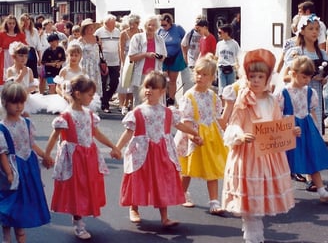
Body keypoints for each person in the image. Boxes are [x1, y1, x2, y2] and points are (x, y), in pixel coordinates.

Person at [222, 49, 297, 243]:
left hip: (267, 154)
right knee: (251, 194)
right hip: (248, 153)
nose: (255, 80)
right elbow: (234, 122)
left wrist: (290, 132)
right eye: (252, 76)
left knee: (261, 194)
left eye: (260, 76)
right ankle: (252, 237)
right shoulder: (244, 99)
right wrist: (239, 135)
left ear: (267, 79)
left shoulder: (272, 101)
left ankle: (257, 235)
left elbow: (276, 125)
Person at [111, 70, 202, 226]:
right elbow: (129, 132)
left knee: (162, 182)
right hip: (141, 152)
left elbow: (179, 125)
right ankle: (134, 208)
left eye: (153, 88)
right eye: (147, 87)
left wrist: (194, 133)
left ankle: (164, 217)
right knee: (138, 179)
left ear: (162, 91)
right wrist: (117, 148)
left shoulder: (168, 112)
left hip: (161, 153)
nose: (149, 90)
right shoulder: (137, 112)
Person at [43, 75, 121, 240]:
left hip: (89, 156)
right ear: (78, 94)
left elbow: (96, 134)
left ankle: (79, 215)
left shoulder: (90, 115)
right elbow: (54, 136)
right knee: (76, 187)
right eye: (89, 95)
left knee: (86, 186)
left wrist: (113, 146)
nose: (92, 98)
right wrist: (46, 154)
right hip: (74, 158)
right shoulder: (66, 116)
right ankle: (79, 222)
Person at [175, 53, 228, 214]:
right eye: (198, 73)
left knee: (211, 169)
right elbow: (186, 120)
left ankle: (214, 201)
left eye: (205, 74)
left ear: (212, 77)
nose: (200, 77)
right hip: (193, 135)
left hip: (210, 136)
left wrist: (226, 133)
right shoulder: (189, 96)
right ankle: (182, 193)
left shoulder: (213, 96)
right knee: (188, 169)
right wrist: (193, 136)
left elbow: (217, 117)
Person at [0, 82, 51, 243]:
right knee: (10, 203)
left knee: (22, 204)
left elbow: (31, 144)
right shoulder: (2, 128)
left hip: (28, 169)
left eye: (22, 102)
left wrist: (45, 156)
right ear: (5, 103)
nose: (19, 106)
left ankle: (19, 234)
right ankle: (7, 235)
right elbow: (2, 153)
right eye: (15, 102)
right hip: (13, 169)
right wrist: (8, 172)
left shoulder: (27, 123)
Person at [278, 55, 328, 203]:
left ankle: (321, 190)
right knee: (287, 160)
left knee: (311, 157)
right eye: (304, 77)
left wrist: (316, 127)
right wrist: (285, 127)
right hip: (290, 127)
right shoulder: (283, 92)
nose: (307, 81)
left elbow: (311, 110)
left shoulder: (310, 92)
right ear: (293, 74)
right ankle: (282, 192)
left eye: (309, 77)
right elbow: (278, 113)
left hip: (306, 127)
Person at [128, 15, 167, 107]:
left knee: (156, 100)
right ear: (145, 25)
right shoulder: (137, 38)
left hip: (155, 75)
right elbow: (131, 57)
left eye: (154, 25)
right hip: (141, 74)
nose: (151, 27)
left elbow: (164, 56)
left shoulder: (159, 39)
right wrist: (146, 54)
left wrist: (159, 57)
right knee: (140, 100)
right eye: (149, 25)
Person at [6, 42, 44, 115]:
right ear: (14, 56)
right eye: (21, 56)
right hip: (15, 100)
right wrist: (21, 75)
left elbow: (33, 86)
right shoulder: (10, 70)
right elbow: (11, 87)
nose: (24, 58)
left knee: (26, 117)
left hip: (26, 99)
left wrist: (27, 90)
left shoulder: (29, 70)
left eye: (26, 56)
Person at [158, 13, 186, 106]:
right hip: (164, 57)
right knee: (165, 79)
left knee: (172, 80)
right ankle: (164, 97)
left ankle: (171, 99)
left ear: (170, 22)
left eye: (165, 25)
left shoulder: (178, 28)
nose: (163, 27)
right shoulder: (160, 31)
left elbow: (185, 40)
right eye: (162, 25)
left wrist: (184, 53)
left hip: (176, 56)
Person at [95, 14, 121, 113]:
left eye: (114, 23)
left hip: (115, 61)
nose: (114, 25)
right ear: (106, 23)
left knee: (114, 83)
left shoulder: (117, 31)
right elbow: (96, 46)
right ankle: (105, 104)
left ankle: (105, 99)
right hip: (104, 61)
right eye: (112, 23)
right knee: (103, 83)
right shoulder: (99, 32)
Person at [117, 14, 142, 115]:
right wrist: (123, 62)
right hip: (128, 60)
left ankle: (131, 104)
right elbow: (121, 49)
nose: (132, 26)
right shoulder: (124, 33)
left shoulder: (141, 33)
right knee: (126, 83)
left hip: (138, 60)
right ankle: (124, 104)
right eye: (130, 23)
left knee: (134, 84)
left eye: (134, 24)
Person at [78, 18, 103, 102]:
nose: (91, 30)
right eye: (89, 28)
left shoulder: (97, 38)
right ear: (84, 29)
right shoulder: (81, 40)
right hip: (85, 64)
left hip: (95, 65)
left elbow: (100, 50)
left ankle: (94, 102)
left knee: (95, 83)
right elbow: (78, 52)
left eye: (92, 28)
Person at [0, 15, 27, 86]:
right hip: (5, 57)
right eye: (9, 23)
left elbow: (25, 46)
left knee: (16, 71)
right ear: (6, 24)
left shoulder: (20, 35)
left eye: (13, 23)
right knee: (5, 74)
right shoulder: (2, 34)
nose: (11, 25)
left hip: (17, 57)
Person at [215, 24, 240, 99]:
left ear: (226, 33)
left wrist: (238, 70)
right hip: (221, 68)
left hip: (231, 69)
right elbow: (216, 57)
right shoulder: (219, 44)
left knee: (231, 90)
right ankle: (222, 108)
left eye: (220, 32)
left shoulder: (234, 44)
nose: (218, 34)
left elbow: (238, 57)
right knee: (222, 90)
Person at [180, 15, 203, 93]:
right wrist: (185, 56)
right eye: (197, 22)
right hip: (192, 60)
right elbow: (183, 44)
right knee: (193, 81)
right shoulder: (191, 32)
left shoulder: (204, 33)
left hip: (201, 61)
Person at [19, 13, 42, 79]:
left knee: (33, 71)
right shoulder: (20, 31)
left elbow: (38, 44)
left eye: (28, 20)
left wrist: (40, 58)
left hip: (32, 51)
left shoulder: (34, 31)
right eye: (24, 20)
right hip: (22, 51)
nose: (26, 22)